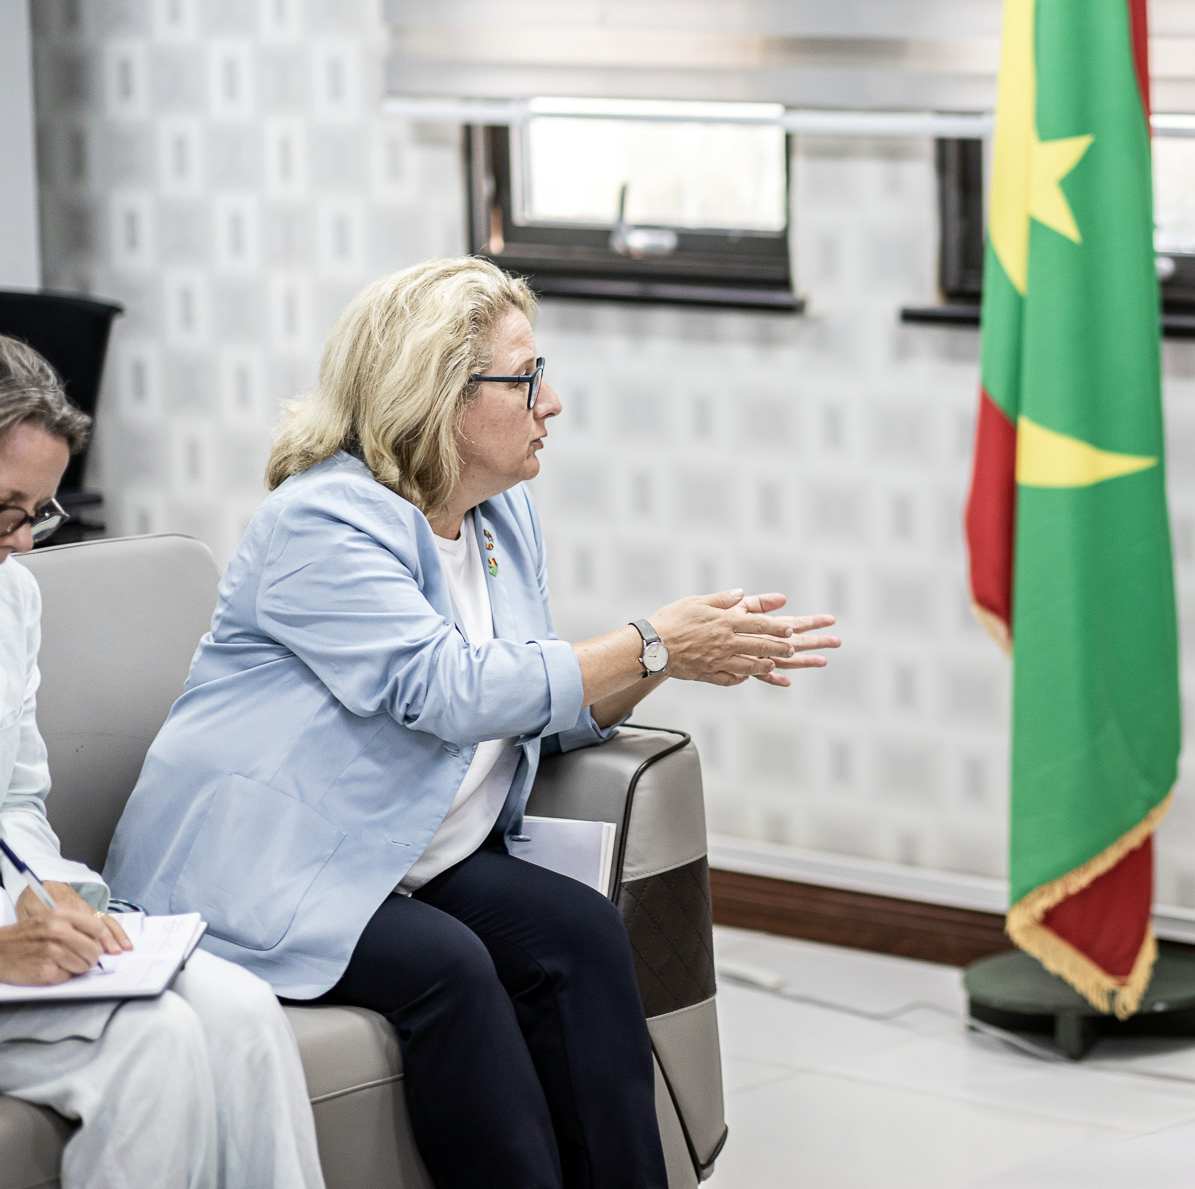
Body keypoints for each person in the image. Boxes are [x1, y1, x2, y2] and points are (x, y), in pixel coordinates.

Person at [106, 257, 838, 1189]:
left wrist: (669, 662)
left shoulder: (500, 516)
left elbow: (535, 702)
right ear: (439, 395)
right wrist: (653, 641)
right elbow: (447, 688)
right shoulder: (320, 523)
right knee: (449, 969)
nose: (553, 402)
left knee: (578, 934)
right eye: (527, 377)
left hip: (410, 852)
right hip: (274, 861)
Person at [0, 334, 325, 1189]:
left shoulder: (11, 596)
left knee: (247, 1013)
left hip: (21, 932)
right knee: (161, 1045)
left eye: (38, 513)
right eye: (6, 510)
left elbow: (17, 801)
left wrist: (55, 894)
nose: (26, 544)